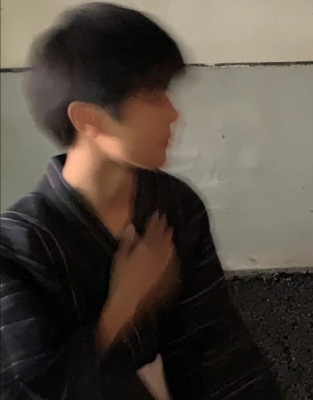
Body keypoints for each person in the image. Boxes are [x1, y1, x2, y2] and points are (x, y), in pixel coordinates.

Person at [0, 2, 281, 399]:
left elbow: (215, 349)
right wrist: (121, 309)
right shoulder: (16, 249)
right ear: (88, 119)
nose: (173, 114)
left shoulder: (173, 204)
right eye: (152, 97)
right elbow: (26, 387)